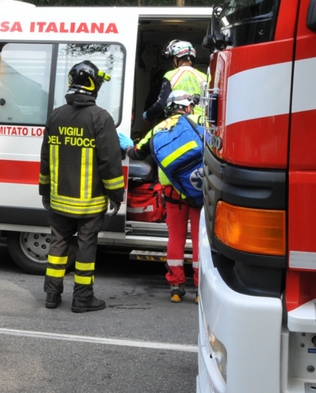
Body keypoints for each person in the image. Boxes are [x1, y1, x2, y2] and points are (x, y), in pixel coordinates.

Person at [39, 60, 124, 313]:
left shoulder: (56, 115)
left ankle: (52, 296)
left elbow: (46, 158)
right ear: (94, 86)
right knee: (86, 247)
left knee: (57, 246)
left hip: (58, 199)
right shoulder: (100, 118)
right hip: (89, 203)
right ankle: (82, 298)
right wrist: (116, 195)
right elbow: (110, 162)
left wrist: (45, 192)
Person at [120, 90, 202, 303]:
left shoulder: (158, 128)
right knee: (198, 240)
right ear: (187, 106)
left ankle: (176, 286)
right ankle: (200, 289)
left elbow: (137, 153)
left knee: (176, 237)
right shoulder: (199, 121)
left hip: (172, 191)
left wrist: (127, 145)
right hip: (197, 189)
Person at [142, 40, 207, 123]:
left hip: (178, 123)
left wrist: (146, 115)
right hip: (201, 124)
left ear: (176, 58)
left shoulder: (170, 75)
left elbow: (161, 104)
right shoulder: (204, 77)